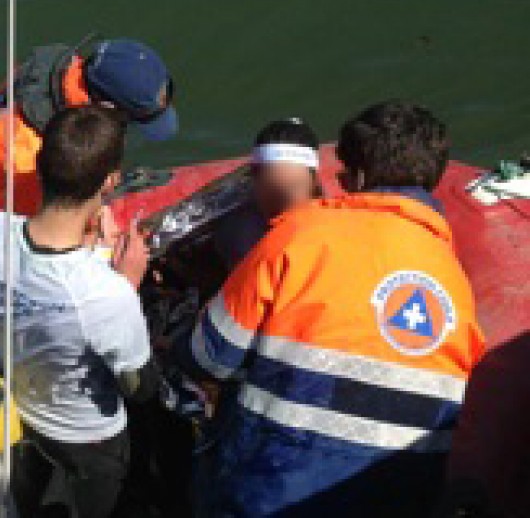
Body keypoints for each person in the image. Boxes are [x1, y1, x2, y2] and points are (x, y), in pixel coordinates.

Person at [177, 101, 486, 516]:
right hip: (401, 496)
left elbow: (208, 359)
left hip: (273, 489)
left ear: (356, 177)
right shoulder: (454, 282)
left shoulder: (299, 235)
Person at [0, 105, 160, 518]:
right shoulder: (106, 294)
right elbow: (140, 387)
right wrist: (128, 284)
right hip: (87, 443)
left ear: (42, 166)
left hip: (10, 418)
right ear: (111, 181)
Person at [0, 37, 176, 283]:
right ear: (106, 107)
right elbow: (35, 240)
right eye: (127, 122)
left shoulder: (63, 71)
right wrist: (102, 252)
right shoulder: (29, 159)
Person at [213, 118, 323, 270]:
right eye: (270, 187)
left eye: (294, 186)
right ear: (253, 180)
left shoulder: (332, 225)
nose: (283, 202)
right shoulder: (239, 234)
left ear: (314, 182)